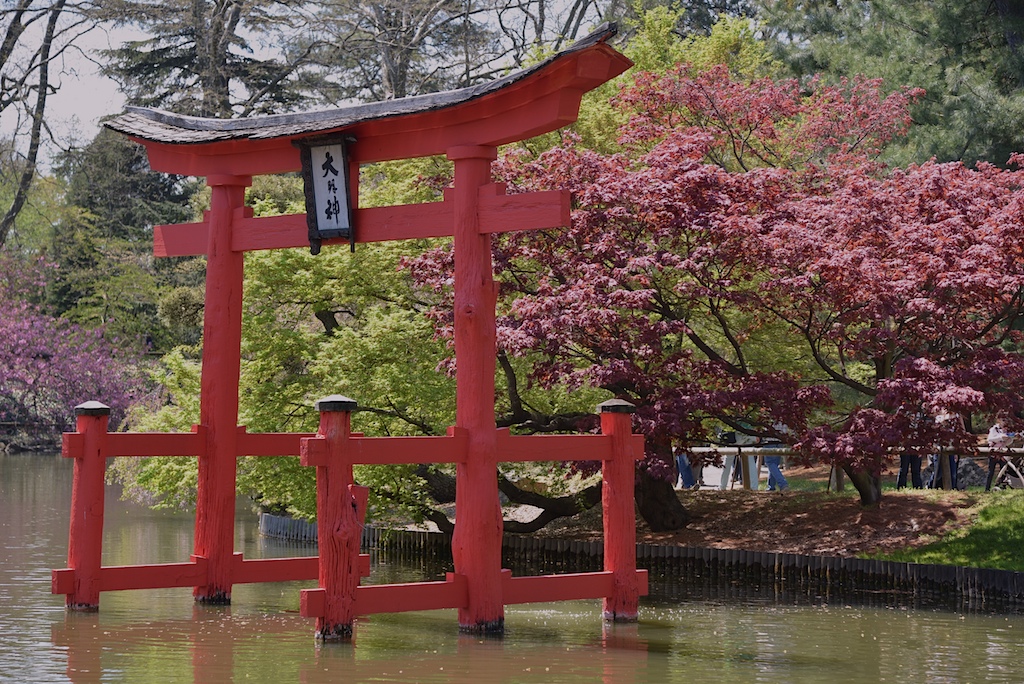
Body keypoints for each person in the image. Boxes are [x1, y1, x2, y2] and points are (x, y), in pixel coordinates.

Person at [986, 420, 1015, 491]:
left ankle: (1002, 487)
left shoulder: (1006, 430)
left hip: (1002, 453)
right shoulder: (994, 429)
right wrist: (1000, 437)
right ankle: (987, 488)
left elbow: (1007, 443)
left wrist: (1009, 439)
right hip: (993, 453)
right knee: (991, 472)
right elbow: (989, 439)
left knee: (1003, 470)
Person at [761, 423, 789, 491]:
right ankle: (771, 486)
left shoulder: (767, 413)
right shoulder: (783, 414)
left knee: (770, 463)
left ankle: (783, 484)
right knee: (774, 464)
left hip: (770, 440)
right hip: (780, 440)